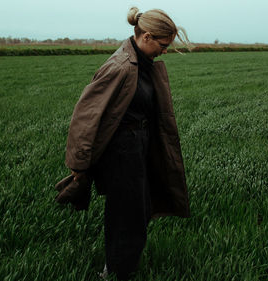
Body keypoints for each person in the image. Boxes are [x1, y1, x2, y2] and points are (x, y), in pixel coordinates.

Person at [56, 6, 191, 280]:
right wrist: (78, 165)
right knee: (126, 214)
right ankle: (115, 272)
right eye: (163, 45)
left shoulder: (142, 62)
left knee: (139, 209)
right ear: (147, 37)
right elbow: (86, 115)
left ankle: (121, 267)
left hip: (138, 146)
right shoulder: (119, 67)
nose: (165, 51)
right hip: (121, 152)